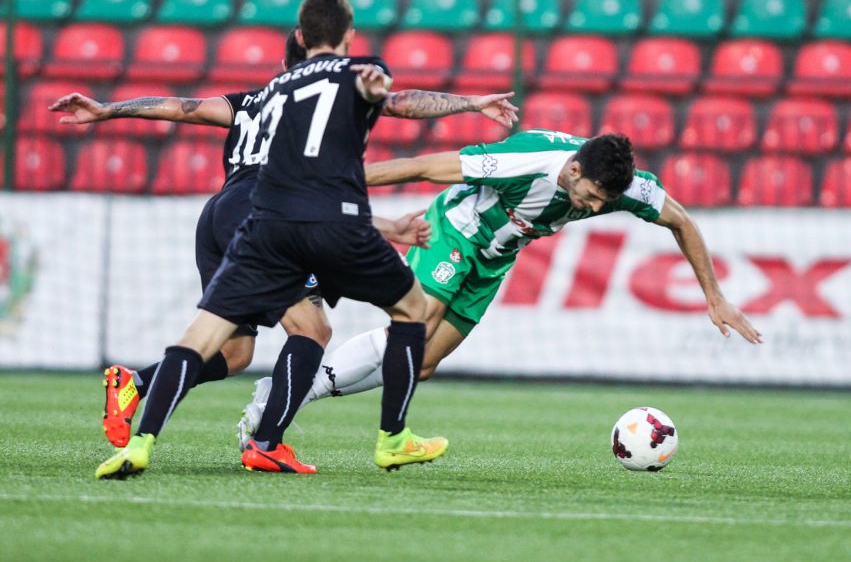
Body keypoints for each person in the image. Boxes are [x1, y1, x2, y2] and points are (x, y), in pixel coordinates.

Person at [50, 29, 517, 451]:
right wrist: (471, 104)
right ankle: (268, 444)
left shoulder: (256, 100)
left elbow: (182, 108)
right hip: (269, 212)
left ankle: (134, 384)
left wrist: (109, 110)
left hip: (219, 212)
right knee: (312, 329)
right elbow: (393, 109)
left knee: (234, 352)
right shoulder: (322, 105)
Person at [238, 129, 763, 445]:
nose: (597, 207)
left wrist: (715, 296)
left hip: (496, 257)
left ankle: (288, 391)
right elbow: (425, 166)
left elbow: (683, 222)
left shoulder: (626, 186)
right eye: (594, 195)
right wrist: (331, 186)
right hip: (456, 230)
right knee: (414, 331)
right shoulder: (526, 162)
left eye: (606, 201)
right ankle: (282, 400)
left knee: (421, 364)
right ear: (574, 169)